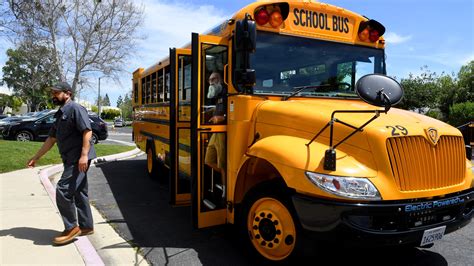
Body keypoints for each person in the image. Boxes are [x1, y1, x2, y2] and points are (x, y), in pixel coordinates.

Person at [27, 81, 97, 245]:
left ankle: (71, 227)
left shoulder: (75, 109)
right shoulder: (60, 114)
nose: (54, 96)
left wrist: (84, 155)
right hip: (70, 158)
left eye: (56, 93)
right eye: (53, 93)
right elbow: (51, 139)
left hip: (78, 158)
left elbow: (87, 131)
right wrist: (36, 157)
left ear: (68, 93)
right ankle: (86, 226)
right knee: (79, 191)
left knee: (63, 190)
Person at [204, 72, 227, 194]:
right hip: (215, 130)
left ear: (220, 80)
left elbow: (235, 110)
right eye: (209, 79)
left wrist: (222, 118)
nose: (211, 82)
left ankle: (225, 187)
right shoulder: (217, 94)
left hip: (223, 131)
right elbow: (218, 108)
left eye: (214, 79)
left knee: (222, 162)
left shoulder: (227, 92)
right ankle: (227, 176)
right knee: (209, 160)